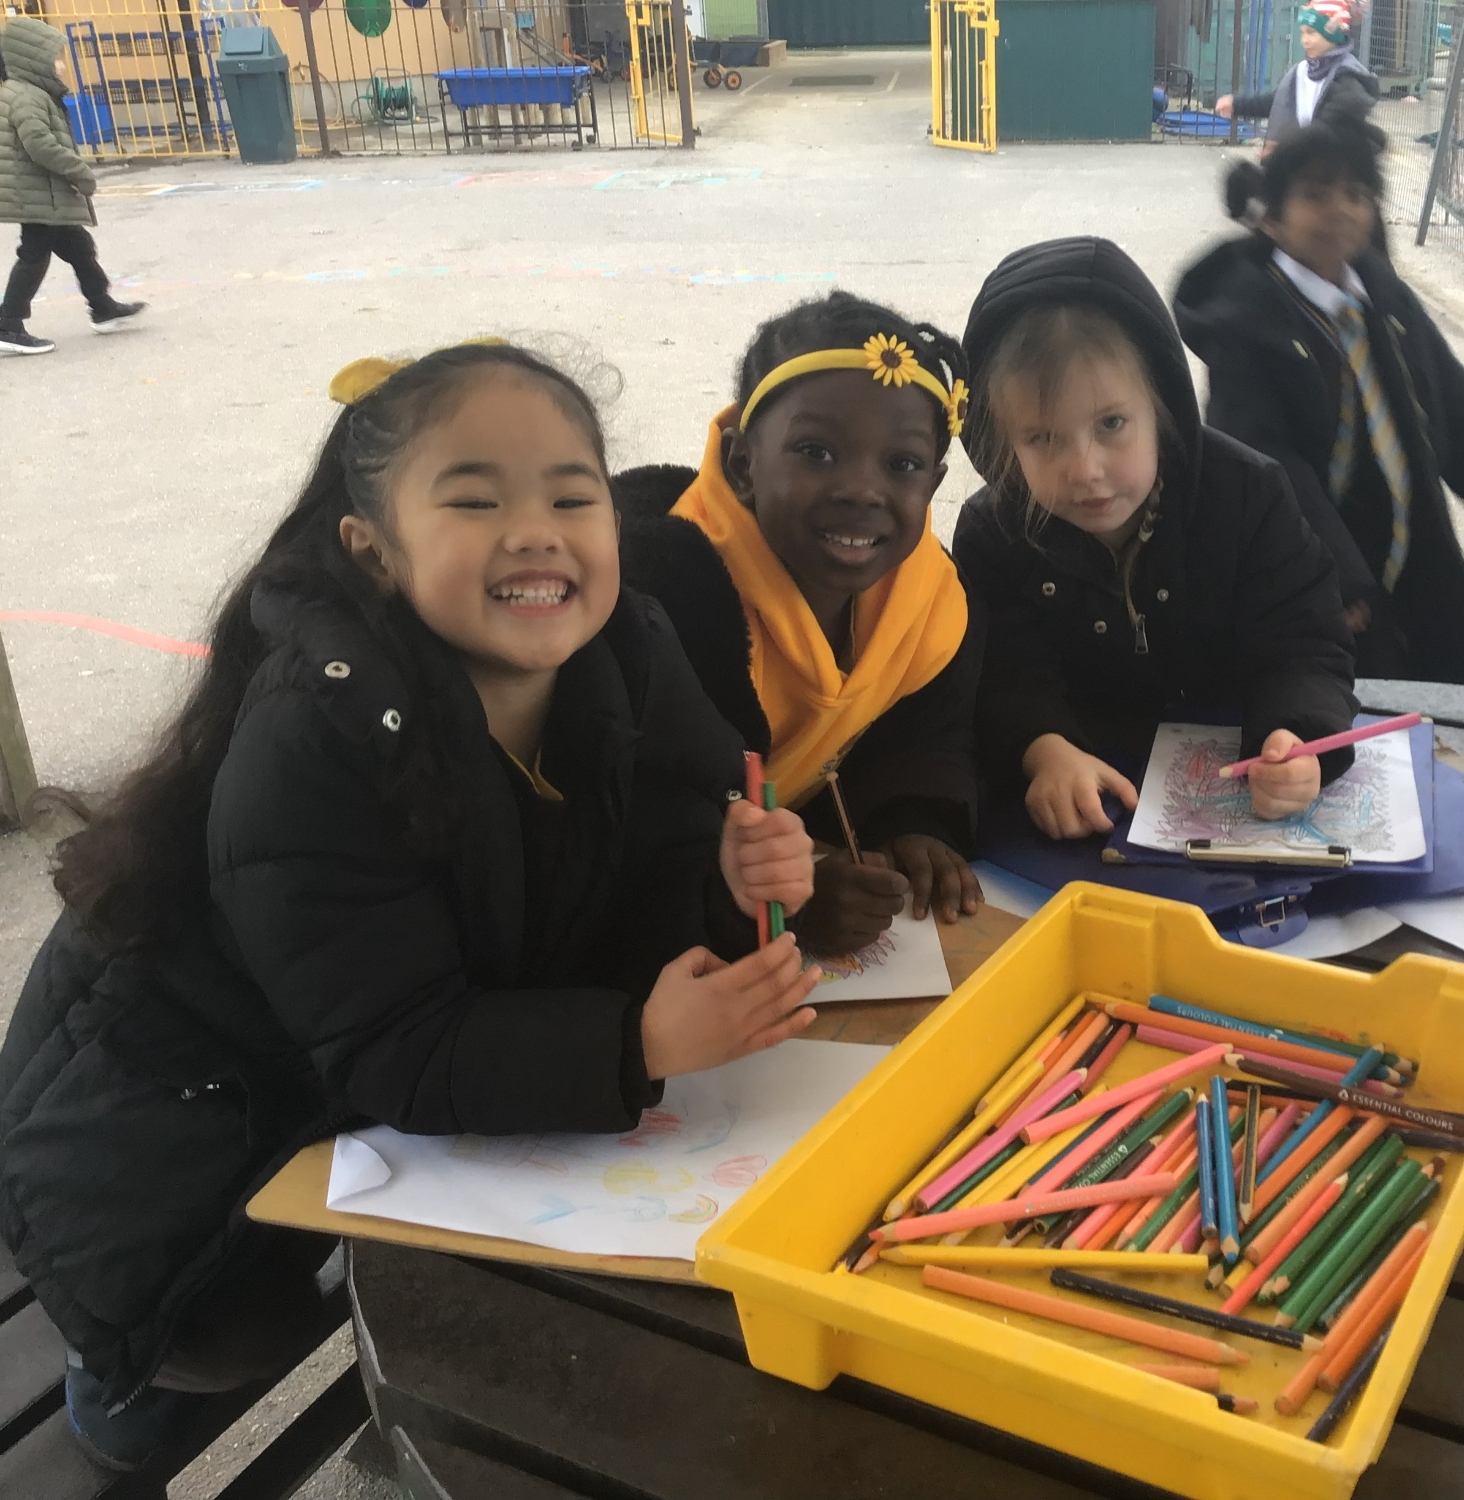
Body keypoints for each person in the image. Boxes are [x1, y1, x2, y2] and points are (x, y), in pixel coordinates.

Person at [0, 342, 821, 1469]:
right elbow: (395, 1047)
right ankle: (111, 1388)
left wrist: (725, 888)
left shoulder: (628, 649)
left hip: (363, 1076)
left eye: (571, 497)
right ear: (373, 550)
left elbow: (650, 862)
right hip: (166, 1143)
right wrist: (632, 1044)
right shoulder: (319, 732)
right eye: (475, 501)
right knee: (211, 1347)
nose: (534, 532)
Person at [953, 235, 1359, 843]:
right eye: (1042, 438)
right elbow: (1003, 673)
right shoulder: (994, 534)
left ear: (1162, 404)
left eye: (1111, 424)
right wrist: (1043, 749)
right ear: (1001, 441)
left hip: (1236, 790)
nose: (1085, 469)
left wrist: (1296, 735)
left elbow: (1303, 641)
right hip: (1087, 809)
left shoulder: (1249, 494)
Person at [614, 294, 985, 952]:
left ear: (932, 485)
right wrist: (782, 907)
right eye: (816, 451)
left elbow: (922, 732)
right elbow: (638, 825)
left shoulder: (929, 602)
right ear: (742, 464)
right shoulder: (659, 607)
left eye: (901, 465)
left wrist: (911, 817)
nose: (861, 490)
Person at [1174, 120, 1464, 692]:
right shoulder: (1247, 323)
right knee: (1354, 713)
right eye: (1316, 194)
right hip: (1325, 571)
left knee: (1463, 699)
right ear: (1272, 218)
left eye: (1357, 194)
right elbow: (1265, 463)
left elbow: (1453, 397)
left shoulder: (1382, 295)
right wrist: (1324, 573)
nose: (1340, 209)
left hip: (1414, 552)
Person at [0, 18, 144, 356]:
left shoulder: (33, 93)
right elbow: (39, 144)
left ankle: (102, 306)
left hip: (44, 193)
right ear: (33, 60)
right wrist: (79, 172)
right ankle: (8, 324)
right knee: (34, 256)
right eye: (55, 58)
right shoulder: (27, 97)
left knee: (79, 246)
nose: (62, 65)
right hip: (38, 194)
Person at [1216, 0, 1378, 146]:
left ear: (1333, 33)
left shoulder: (1347, 79)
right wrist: (1237, 105)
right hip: (1308, 161)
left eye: (1311, 32)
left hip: (1331, 166)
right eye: (1302, 33)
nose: (1304, 40)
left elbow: (1327, 131)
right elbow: (1279, 102)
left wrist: (1284, 152)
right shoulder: (1303, 70)